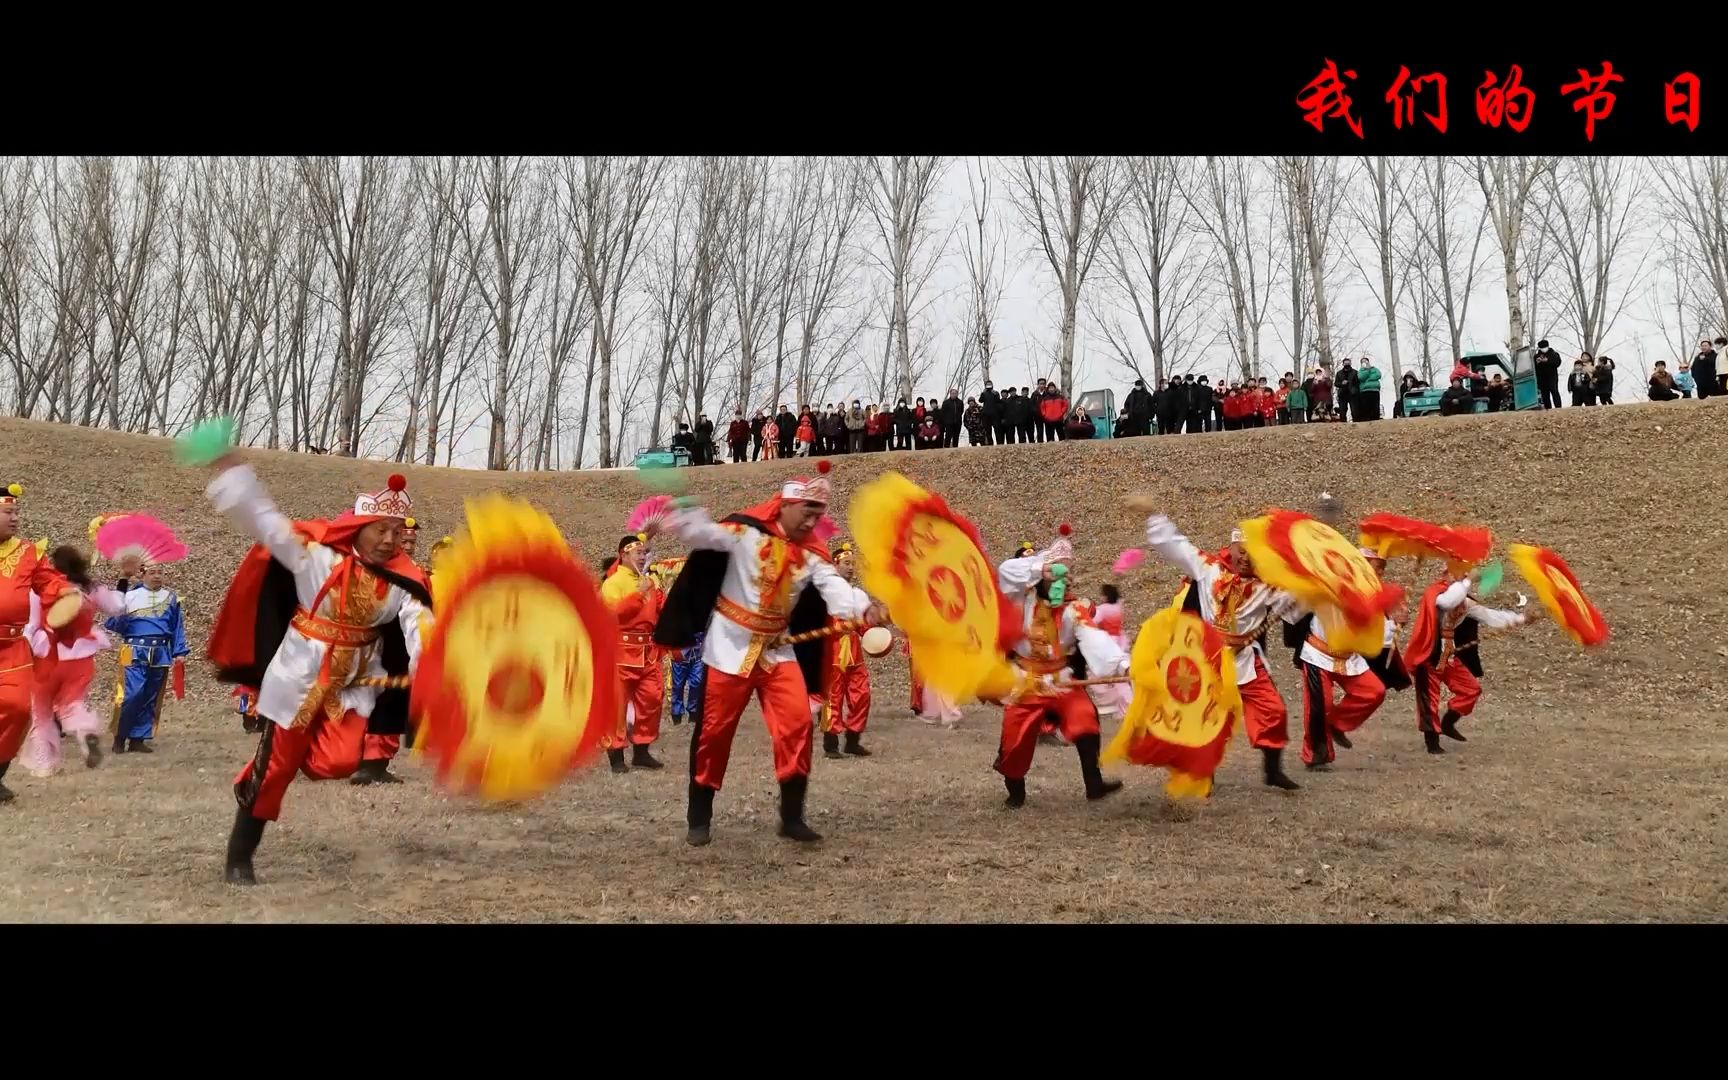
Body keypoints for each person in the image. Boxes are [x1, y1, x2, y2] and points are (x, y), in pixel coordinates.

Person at [205, 463, 431, 885]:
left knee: (340, 762)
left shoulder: (406, 578)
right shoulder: (318, 556)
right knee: (276, 771)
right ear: (359, 526)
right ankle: (240, 857)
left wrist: (429, 668)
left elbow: (418, 626)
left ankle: (259, 770)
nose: (389, 539)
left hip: (353, 686)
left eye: (396, 531)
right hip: (298, 676)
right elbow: (268, 525)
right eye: (380, 529)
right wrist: (234, 475)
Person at [653, 471, 886, 847]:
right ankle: (700, 815)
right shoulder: (745, 532)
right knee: (714, 732)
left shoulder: (811, 554)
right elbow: (707, 535)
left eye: (818, 513)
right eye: (807, 512)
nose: (812, 521)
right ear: (787, 504)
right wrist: (685, 516)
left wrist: (864, 609)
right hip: (730, 647)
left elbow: (836, 590)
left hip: (778, 650)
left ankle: (791, 817)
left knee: (797, 723)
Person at [1131, 501, 1302, 790]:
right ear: (1232, 548)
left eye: (1253, 554)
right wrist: (1153, 515)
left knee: (1274, 711)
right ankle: (1204, 776)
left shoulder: (1268, 586)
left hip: (1244, 659)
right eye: (1242, 552)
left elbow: (1293, 609)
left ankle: (1272, 770)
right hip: (1207, 660)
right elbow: (1176, 544)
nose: (1246, 559)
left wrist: (1310, 589)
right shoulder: (1208, 568)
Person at [993, 531, 1127, 808]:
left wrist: (1124, 664)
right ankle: (1016, 791)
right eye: (1055, 575)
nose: (1060, 583)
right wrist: (1040, 567)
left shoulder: (1073, 608)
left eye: (1064, 577)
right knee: (1014, 744)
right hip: (1026, 680)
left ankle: (1095, 784)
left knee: (1085, 718)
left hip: (1062, 680)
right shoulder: (1021, 597)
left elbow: (1094, 638)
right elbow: (1005, 570)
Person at [20, 546, 126, 776]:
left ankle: (45, 764)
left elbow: (30, 625)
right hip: (81, 656)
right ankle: (85, 729)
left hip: (46, 656)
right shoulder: (91, 588)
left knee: (42, 712)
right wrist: (123, 582)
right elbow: (117, 608)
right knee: (73, 702)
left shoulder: (40, 589)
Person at [1402, 570, 1533, 754]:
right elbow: (1448, 601)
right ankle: (1432, 741)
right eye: (1455, 575)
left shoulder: (1465, 602)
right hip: (1428, 655)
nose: (1458, 578)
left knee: (1471, 689)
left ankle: (1449, 722)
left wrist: (1521, 619)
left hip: (1449, 655)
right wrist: (1468, 579)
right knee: (1429, 699)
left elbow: (1490, 616)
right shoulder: (1436, 594)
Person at [106, 559, 190, 754]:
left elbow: (177, 626)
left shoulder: (171, 598)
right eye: (153, 572)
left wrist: (179, 651)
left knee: (150, 696)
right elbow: (113, 623)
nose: (157, 575)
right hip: (132, 649)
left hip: (160, 651)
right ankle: (120, 735)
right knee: (132, 693)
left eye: (160, 572)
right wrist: (121, 609)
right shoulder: (130, 596)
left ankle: (138, 738)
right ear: (143, 575)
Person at [599, 533, 666, 773]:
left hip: (648, 652)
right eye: (638, 553)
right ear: (623, 555)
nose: (642, 557)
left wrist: (658, 594)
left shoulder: (649, 581)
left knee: (651, 700)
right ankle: (616, 756)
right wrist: (639, 594)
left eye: (644, 553)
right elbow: (613, 614)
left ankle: (642, 751)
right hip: (621, 652)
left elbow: (660, 612)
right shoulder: (613, 583)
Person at [818, 541, 873, 759]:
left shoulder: (854, 594)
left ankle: (853, 740)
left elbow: (862, 625)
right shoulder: (825, 593)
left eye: (853, 564)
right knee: (833, 697)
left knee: (862, 695)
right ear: (835, 565)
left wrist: (874, 631)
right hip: (832, 653)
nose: (851, 567)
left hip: (854, 654)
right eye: (846, 563)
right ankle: (830, 744)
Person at [1534, 340, 1564, 409]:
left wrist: (1547, 361)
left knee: (1554, 391)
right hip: (1542, 378)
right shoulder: (1536, 356)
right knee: (1545, 394)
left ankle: (1558, 407)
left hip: (1552, 377)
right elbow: (1534, 367)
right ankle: (1548, 408)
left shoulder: (1554, 354)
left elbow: (1557, 362)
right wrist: (1537, 363)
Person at [979, 379, 1002, 446]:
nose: (989, 386)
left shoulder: (995, 393)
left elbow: (998, 401)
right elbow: (980, 400)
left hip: (995, 414)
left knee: (997, 429)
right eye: (987, 384)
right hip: (986, 414)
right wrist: (983, 393)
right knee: (988, 430)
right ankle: (990, 443)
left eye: (990, 384)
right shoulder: (984, 393)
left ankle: (999, 443)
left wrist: (995, 394)